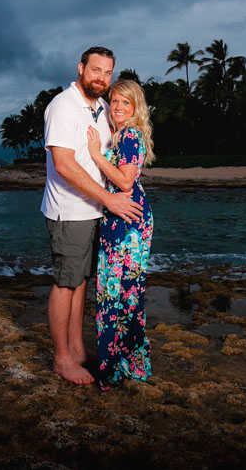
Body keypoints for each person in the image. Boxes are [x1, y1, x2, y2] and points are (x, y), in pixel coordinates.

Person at [41, 47, 144, 385]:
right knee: (65, 283)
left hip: (94, 211)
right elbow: (63, 164)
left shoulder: (101, 107)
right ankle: (62, 360)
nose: (101, 78)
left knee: (81, 281)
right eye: (95, 69)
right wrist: (109, 199)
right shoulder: (64, 106)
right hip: (69, 211)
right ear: (81, 68)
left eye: (107, 72)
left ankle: (76, 349)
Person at [85, 79, 155, 391]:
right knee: (127, 293)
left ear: (136, 106)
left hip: (127, 221)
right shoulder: (124, 135)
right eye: (114, 101)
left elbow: (125, 183)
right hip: (127, 216)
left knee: (116, 293)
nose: (118, 107)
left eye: (126, 102)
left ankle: (114, 369)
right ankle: (130, 364)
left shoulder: (129, 135)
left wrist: (96, 154)